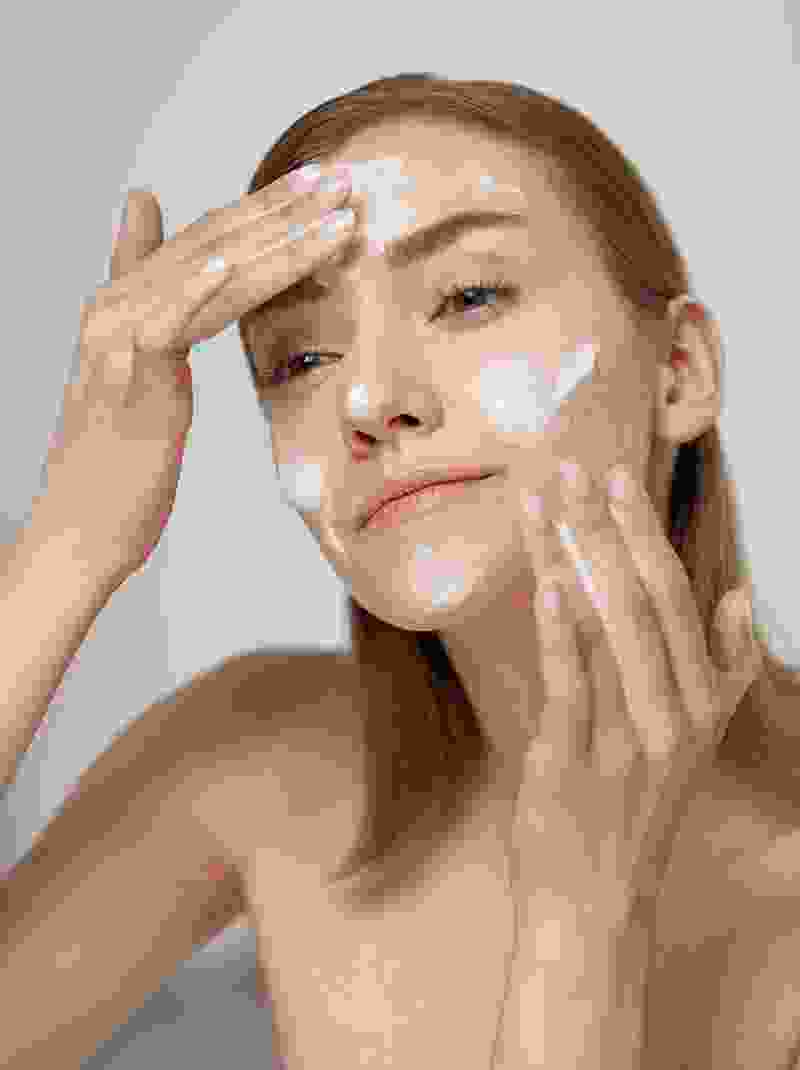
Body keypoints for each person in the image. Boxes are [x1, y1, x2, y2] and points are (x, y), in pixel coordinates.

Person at [3, 72, 800, 1069]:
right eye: (301, 358)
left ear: (679, 370)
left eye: (469, 296)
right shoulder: (258, 762)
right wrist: (75, 538)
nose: (369, 398)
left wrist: (586, 909)